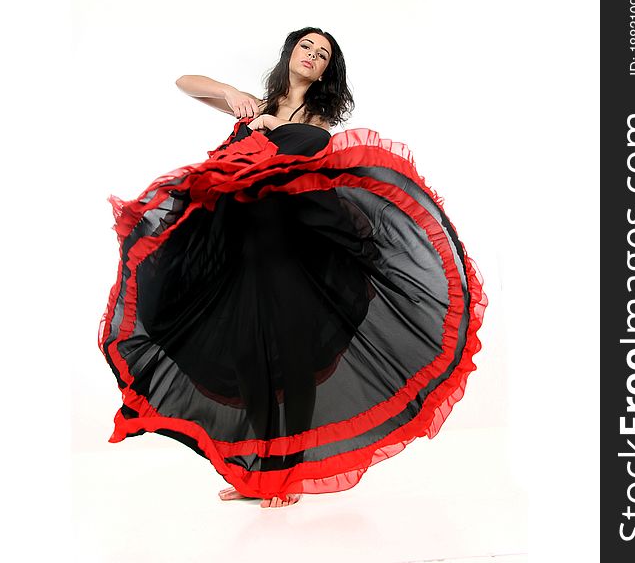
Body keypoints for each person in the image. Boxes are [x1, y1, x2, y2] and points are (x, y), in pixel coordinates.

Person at [98, 27, 488, 509]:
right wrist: (231, 95)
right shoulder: (250, 103)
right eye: (306, 46)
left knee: (293, 359)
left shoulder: (319, 120)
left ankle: (284, 474)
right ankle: (259, 473)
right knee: (247, 358)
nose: (312, 56)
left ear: (326, 70)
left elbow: (306, 178)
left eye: (322, 54)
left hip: (291, 251)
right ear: (290, 53)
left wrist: (269, 137)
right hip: (240, 254)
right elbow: (184, 81)